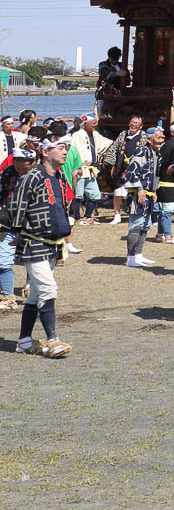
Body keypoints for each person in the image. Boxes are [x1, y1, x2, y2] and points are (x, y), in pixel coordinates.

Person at [7, 138, 73, 357]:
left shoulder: (60, 177)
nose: (65, 152)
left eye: (66, 148)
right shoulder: (31, 176)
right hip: (33, 240)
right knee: (47, 289)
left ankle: (24, 341)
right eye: (60, 148)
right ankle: (53, 340)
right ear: (45, 152)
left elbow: (61, 207)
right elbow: (17, 205)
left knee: (35, 294)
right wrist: (16, 230)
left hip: (52, 243)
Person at [0, 144, 37, 312]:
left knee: (33, 262)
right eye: (17, 163)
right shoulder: (8, 172)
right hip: (6, 222)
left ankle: (32, 293)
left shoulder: (38, 176)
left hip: (31, 226)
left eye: (24, 164)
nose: (20, 168)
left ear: (32, 162)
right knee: (3, 262)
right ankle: (7, 295)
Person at [121, 126, 160, 269]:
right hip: (138, 193)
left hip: (149, 193)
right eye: (158, 137)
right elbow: (132, 171)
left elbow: (155, 174)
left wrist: (154, 190)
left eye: (162, 137)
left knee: (146, 225)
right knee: (136, 225)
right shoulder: (142, 151)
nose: (162, 140)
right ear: (149, 139)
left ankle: (138, 254)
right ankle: (130, 257)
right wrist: (140, 189)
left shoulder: (156, 153)